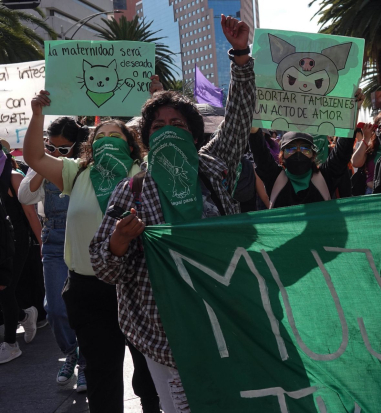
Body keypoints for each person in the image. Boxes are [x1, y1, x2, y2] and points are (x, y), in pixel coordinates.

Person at [89, 15, 255, 413]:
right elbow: (103, 266)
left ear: (194, 135)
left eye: (176, 124)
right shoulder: (131, 189)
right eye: (158, 125)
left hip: (221, 317)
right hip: (163, 333)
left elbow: (238, 120)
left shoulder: (212, 168)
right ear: (145, 138)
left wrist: (242, 57)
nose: (167, 129)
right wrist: (120, 240)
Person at [23, 103, 160, 411]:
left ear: (129, 143)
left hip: (139, 288)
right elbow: (33, 157)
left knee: (150, 371)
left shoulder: (145, 172)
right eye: (100, 135)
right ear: (90, 145)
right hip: (89, 289)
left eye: (115, 134)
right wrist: (37, 115)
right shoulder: (76, 172)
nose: (107, 138)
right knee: (101, 372)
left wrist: (156, 99)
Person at [17, 117, 89, 386]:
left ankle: (85, 362)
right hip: (55, 239)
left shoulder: (85, 165)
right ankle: (71, 353)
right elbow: (25, 197)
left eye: (64, 149)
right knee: (57, 308)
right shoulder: (43, 165)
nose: (57, 153)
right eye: (52, 147)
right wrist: (40, 161)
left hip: (84, 237)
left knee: (85, 304)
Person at [0, 148, 41, 364]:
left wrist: (43, 243)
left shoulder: (15, 177)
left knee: (5, 289)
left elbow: (30, 213)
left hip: (16, 243)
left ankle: (11, 345)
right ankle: (25, 316)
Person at [250, 129, 354, 207]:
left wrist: (352, 111)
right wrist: (254, 130)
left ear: (313, 155)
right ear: (282, 156)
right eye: (291, 149)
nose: (298, 153)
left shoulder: (325, 177)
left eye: (305, 149)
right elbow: (260, 153)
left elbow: (342, 152)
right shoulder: (274, 177)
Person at [351, 110, 381, 194]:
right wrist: (366, 138)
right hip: (372, 192)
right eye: (380, 127)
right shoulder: (371, 147)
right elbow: (355, 163)